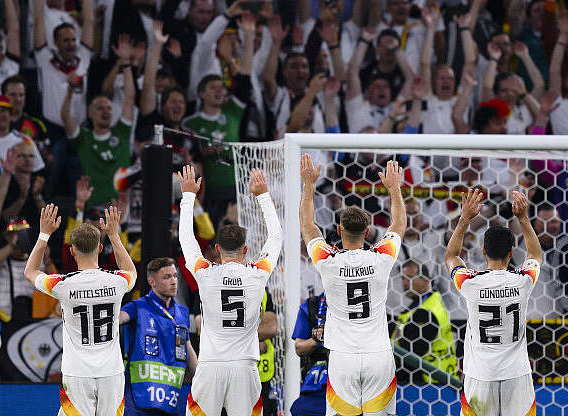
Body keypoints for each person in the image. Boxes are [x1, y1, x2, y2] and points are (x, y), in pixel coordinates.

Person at [300, 154, 406, 416]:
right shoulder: (381, 258)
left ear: (338, 230)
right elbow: (399, 224)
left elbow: (307, 226)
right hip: (378, 354)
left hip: (343, 356)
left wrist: (309, 185)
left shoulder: (328, 260)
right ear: (368, 232)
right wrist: (394, 188)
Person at [177, 165, 282, 416]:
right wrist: (263, 195)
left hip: (210, 365)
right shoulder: (258, 273)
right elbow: (276, 236)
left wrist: (188, 196)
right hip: (245, 367)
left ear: (216, 249)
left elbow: (186, 239)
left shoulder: (204, 272)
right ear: (245, 250)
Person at [25, 202, 137, 416]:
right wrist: (114, 234)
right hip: (111, 372)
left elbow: (30, 271)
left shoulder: (63, 284)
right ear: (101, 248)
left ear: (72, 251)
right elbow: (130, 269)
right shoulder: (118, 281)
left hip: (77, 372)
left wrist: (44, 235)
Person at [444, 187, 542, 416]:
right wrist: (523, 218)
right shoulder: (523, 281)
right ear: (511, 253)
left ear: (483, 251)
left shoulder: (469, 282)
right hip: (517, 375)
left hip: (480, 375)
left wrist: (464, 219)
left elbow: (451, 256)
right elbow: (535, 255)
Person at [120, 256, 198, 416]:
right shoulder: (137, 307)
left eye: (175, 276)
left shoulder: (182, 312)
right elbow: (117, 319)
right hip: (137, 401)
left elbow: (188, 349)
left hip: (170, 399)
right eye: (167, 277)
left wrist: (204, 378)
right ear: (152, 282)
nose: (174, 281)